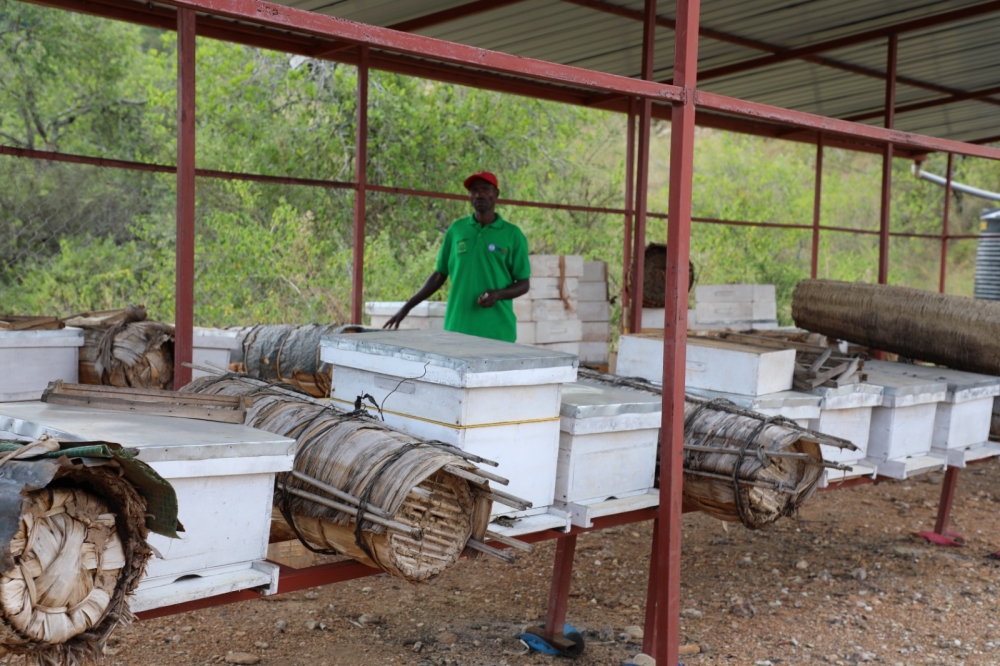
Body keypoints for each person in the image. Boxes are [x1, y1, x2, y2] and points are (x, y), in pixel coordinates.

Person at [383, 171, 530, 342]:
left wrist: (498, 294)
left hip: (497, 331)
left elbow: (523, 283)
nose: (479, 194)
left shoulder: (512, 234)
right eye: (474, 190)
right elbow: (439, 275)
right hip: (457, 329)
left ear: (496, 193)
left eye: (485, 189)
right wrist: (407, 307)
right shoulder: (457, 230)